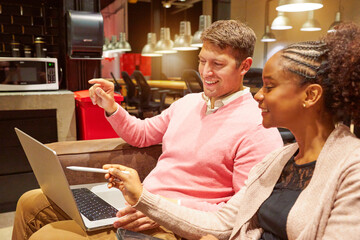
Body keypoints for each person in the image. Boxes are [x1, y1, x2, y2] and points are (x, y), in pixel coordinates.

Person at [12, 20, 283, 240]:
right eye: (202, 61)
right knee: (29, 202)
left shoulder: (258, 126)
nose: (206, 72)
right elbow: (141, 134)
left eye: (217, 64)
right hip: (138, 202)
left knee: (48, 236)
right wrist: (111, 107)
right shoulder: (188, 103)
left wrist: (162, 209)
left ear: (245, 66)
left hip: (172, 225)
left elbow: (243, 213)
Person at [105, 22, 360, 240]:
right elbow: (230, 222)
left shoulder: (350, 166)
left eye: (269, 87)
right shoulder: (279, 160)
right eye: (202, 61)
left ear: (311, 95)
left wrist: (152, 205)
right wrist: (144, 199)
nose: (258, 95)